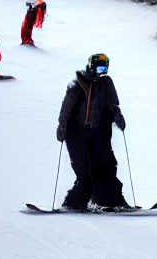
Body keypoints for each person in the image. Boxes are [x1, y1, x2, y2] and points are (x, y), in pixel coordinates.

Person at [56, 53, 131, 211]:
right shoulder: (77, 83)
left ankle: (110, 201)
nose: (101, 71)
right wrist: (62, 127)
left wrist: (117, 114)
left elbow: (113, 102)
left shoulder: (106, 82)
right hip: (75, 131)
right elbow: (66, 109)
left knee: (106, 165)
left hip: (97, 130)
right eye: (99, 67)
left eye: (104, 68)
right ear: (91, 65)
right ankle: (73, 204)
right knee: (84, 172)